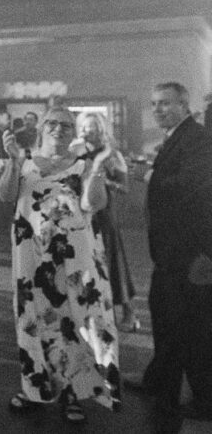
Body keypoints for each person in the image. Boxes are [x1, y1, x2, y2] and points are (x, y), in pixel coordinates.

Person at [0, 106, 118, 425]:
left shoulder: (83, 164)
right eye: (52, 123)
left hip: (74, 256)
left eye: (66, 125)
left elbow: (94, 204)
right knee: (32, 318)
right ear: (41, 128)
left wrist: (99, 168)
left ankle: (71, 392)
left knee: (71, 321)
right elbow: (5, 195)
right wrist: (11, 161)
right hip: (31, 255)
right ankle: (35, 386)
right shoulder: (23, 160)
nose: (58, 130)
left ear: (72, 131)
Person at [124, 83, 212, 433]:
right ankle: (160, 381)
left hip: (190, 253)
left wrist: (146, 174)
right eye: (154, 104)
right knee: (166, 319)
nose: (157, 109)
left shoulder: (198, 138)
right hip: (171, 251)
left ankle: (205, 400)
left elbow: (196, 187)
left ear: (184, 105)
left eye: (165, 104)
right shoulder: (182, 135)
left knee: (193, 330)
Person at [75, 112, 139, 332]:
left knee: (112, 262)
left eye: (91, 127)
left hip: (104, 213)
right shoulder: (76, 152)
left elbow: (125, 188)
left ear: (101, 129)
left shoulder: (111, 154)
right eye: (83, 126)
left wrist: (101, 177)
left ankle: (129, 311)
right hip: (81, 212)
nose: (86, 131)